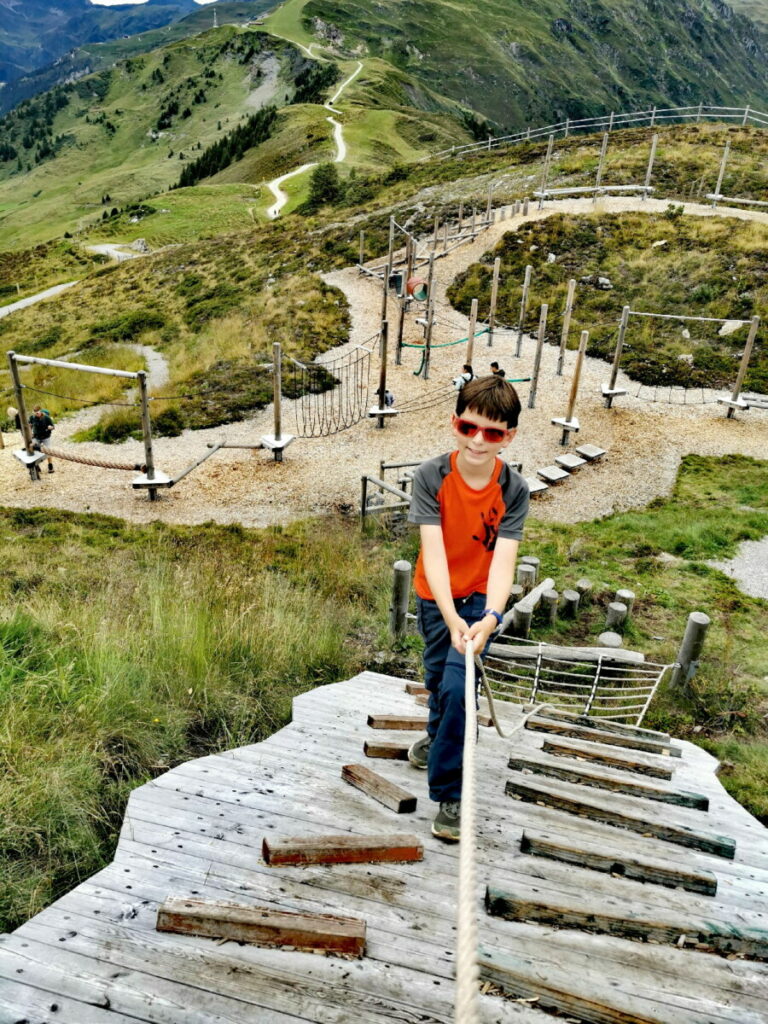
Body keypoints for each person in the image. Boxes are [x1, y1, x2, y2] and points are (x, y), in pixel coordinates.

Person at [406, 375, 528, 841]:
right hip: (435, 596)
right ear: (454, 423)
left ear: (509, 437)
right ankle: (438, 738)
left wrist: (489, 617)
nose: (478, 440)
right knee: (438, 676)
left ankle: (450, 794)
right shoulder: (430, 477)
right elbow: (432, 553)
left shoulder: (514, 490)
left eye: (493, 433)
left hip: (480, 598)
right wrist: (451, 615)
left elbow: (504, 563)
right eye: (468, 427)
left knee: (460, 686)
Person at [29, 406, 55, 473]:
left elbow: (53, 427)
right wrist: (30, 432)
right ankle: (36, 466)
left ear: (40, 411)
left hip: (46, 437)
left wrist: (50, 427)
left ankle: (50, 465)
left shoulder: (46, 418)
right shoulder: (32, 418)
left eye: (37, 413)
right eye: (35, 413)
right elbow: (30, 425)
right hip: (36, 437)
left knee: (48, 451)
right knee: (33, 450)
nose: (36, 414)